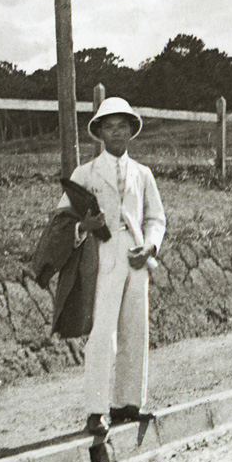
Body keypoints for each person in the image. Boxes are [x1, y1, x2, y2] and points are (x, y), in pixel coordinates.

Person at [59, 97, 166, 436]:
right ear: (100, 133)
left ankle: (128, 403)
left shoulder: (142, 174)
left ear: (132, 131)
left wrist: (150, 245)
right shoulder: (85, 173)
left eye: (122, 126)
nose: (116, 132)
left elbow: (156, 218)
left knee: (135, 328)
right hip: (102, 256)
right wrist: (84, 226)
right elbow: (63, 219)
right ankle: (96, 410)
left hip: (136, 256)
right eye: (109, 126)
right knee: (102, 332)